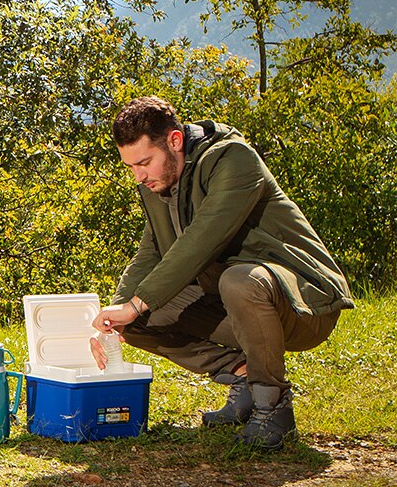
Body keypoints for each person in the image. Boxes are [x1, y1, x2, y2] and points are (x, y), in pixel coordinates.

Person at [92, 96, 352, 450]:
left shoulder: (235, 160)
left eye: (144, 163)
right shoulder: (158, 183)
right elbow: (151, 252)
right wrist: (117, 314)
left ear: (174, 141)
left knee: (240, 280)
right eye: (131, 167)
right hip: (230, 303)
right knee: (136, 321)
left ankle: (273, 405)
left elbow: (201, 241)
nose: (139, 176)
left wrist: (136, 303)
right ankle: (243, 376)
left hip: (302, 306)